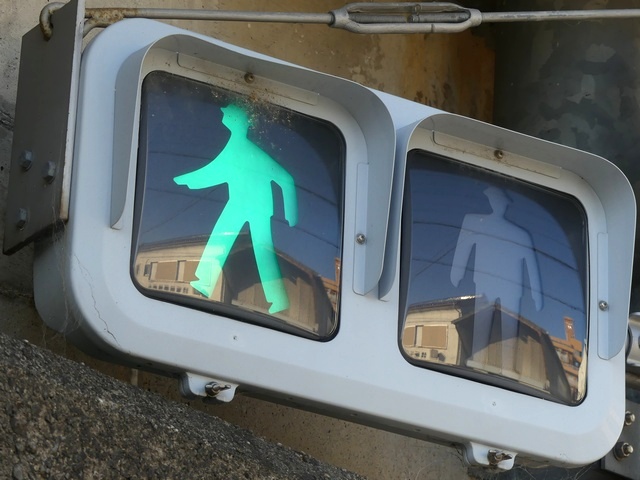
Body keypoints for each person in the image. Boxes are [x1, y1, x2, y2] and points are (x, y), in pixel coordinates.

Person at [174, 104, 298, 314]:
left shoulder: (245, 150)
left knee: (258, 250)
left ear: (236, 121)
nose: (223, 115)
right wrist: (186, 180)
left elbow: (286, 178)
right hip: (240, 204)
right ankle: (204, 281)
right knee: (223, 240)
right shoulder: (237, 147)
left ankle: (277, 299)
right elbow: (215, 171)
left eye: (227, 114)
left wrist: (291, 215)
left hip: (254, 207)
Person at [450, 186, 542, 368]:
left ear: (506, 205)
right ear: (491, 201)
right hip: (486, 283)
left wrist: (536, 295)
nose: (498, 205)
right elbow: (463, 247)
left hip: (511, 287)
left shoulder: (520, 234)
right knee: (482, 325)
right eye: (495, 200)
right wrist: (457, 272)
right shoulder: (476, 223)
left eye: (501, 202)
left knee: (508, 330)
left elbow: (531, 266)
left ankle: (507, 367)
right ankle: (477, 362)